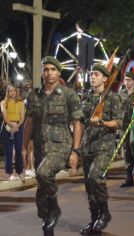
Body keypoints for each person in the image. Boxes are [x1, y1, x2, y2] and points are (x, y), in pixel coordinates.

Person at [22, 56, 84, 236]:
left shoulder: (68, 94)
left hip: (61, 147)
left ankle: (55, 208)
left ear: (59, 72)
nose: (49, 73)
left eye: (53, 69)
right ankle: (49, 227)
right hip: (41, 150)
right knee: (41, 204)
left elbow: (77, 122)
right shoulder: (33, 96)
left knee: (42, 173)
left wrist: (75, 151)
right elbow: (29, 122)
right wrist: (24, 148)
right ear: (42, 72)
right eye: (46, 69)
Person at [79, 64, 124, 235]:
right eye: (91, 74)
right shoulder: (87, 97)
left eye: (96, 74)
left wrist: (103, 122)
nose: (92, 77)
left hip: (104, 145)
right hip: (88, 145)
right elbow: (80, 121)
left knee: (95, 176)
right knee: (89, 186)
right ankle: (94, 219)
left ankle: (105, 213)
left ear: (105, 78)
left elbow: (119, 122)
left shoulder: (113, 98)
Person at [1, 84, 25, 181]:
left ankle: (20, 172)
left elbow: (22, 117)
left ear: (16, 91)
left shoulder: (21, 103)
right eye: (10, 91)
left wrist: (17, 126)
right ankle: (10, 174)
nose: (12, 92)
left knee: (19, 151)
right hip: (7, 128)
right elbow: (5, 117)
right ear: (8, 92)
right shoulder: (3, 102)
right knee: (9, 152)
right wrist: (12, 125)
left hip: (18, 128)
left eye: (13, 90)